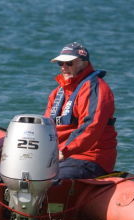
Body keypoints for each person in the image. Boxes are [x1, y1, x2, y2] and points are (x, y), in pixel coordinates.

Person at [44, 42, 117, 180]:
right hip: (60, 156)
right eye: (60, 63)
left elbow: (91, 127)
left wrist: (64, 151)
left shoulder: (95, 89)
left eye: (69, 63)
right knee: (1, 172)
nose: (64, 68)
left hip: (89, 158)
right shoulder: (57, 92)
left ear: (83, 63)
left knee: (48, 180)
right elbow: (46, 125)